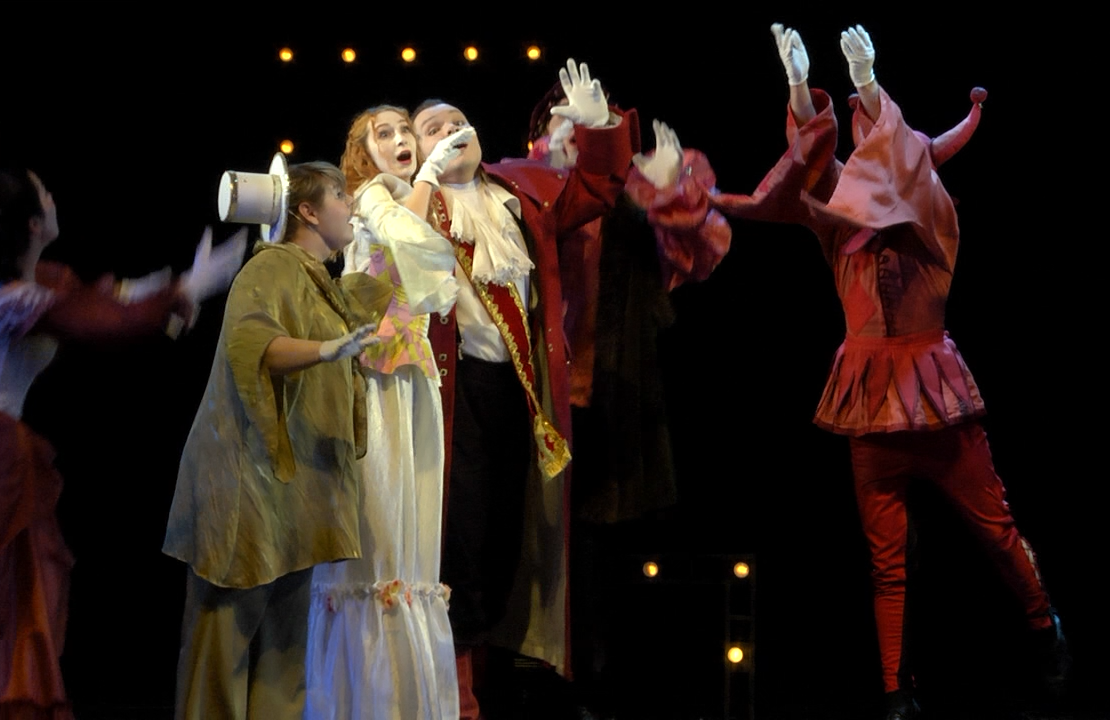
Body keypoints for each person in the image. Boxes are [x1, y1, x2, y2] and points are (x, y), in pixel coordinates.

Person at [710, 24, 1070, 720]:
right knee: (886, 555)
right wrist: (797, 86)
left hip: (934, 400)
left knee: (995, 529)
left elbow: (902, 158)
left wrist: (868, 84)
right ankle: (894, 688)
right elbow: (811, 167)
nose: (870, 173)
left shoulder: (931, 228)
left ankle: (1042, 624)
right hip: (870, 402)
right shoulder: (840, 228)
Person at [0, 168, 243, 720]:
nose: (53, 197)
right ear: (34, 224)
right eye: (44, 194)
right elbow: (109, 322)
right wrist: (188, 290)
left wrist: (172, 284)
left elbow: (102, 297)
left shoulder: (9, 285)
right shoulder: (19, 300)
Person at [410, 58, 637, 719]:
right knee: (458, 543)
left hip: (517, 391)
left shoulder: (518, 190)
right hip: (449, 397)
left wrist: (599, 128)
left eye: (458, 121)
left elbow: (596, 189)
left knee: (505, 540)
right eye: (433, 129)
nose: (451, 131)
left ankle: (488, 683)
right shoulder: (409, 206)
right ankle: (457, 698)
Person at [524, 91, 732, 714]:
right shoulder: (528, 183)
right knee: (551, 545)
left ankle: (607, 683)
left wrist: (668, 191)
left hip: (625, 385)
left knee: (615, 547)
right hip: (544, 388)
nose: (575, 132)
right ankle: (554, 681)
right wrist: (553, 162)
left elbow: (703, 253)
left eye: (590, 122)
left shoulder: (634, 184)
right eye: (562, 122)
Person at [162, 158, 392, 720]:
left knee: (285, 651)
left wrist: (392, 222)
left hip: (293, 495)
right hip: (247, 490)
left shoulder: (319, 282)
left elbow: (379, 291)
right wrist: (326, 350)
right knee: (222, 646)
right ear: (308, 212)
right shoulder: (270, 267)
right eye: (341, 197)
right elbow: (252, 342)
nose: (351, 206)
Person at [303, 105, 471, 720]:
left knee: (412, 535)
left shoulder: (406, 197)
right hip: (373, 380)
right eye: (386, 134)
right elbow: (406, 237)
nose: (401, 139)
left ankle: (408, 697)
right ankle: (369, 701)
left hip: (412, 380)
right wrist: (426, 174)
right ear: (364, 152)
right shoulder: (372, 194)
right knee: (377, 531)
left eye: (405, 131)